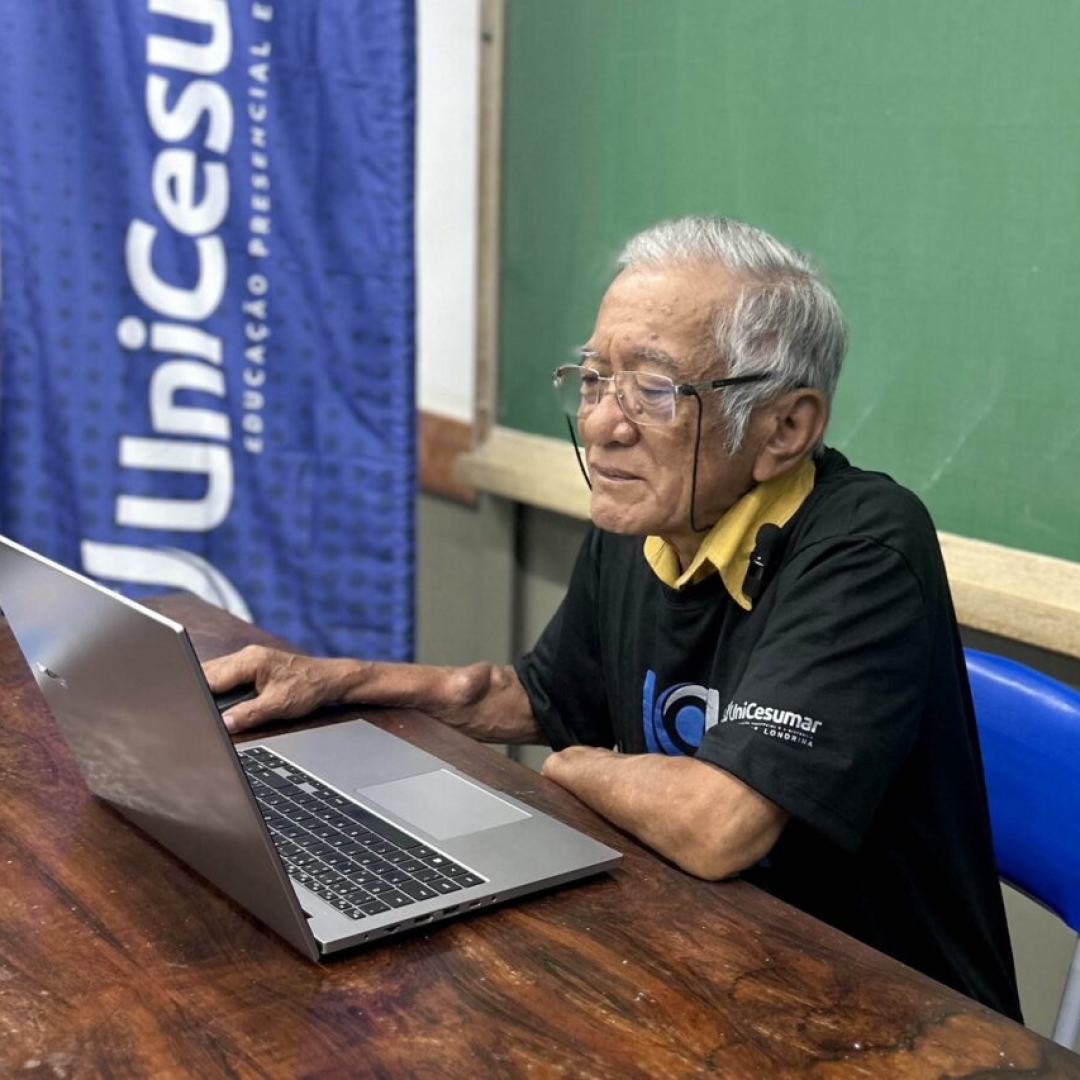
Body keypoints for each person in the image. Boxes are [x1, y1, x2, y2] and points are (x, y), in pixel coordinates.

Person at [205, 216, 1022, 1020]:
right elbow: (533, 695)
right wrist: (340, 680)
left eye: (656, 388)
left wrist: (570, 768)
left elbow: (717, 823)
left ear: (785, 428)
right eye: (595, 379)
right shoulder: (655, 520)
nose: (601, 423)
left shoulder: (864, 547)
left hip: (889, 1016)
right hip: (706, 965)